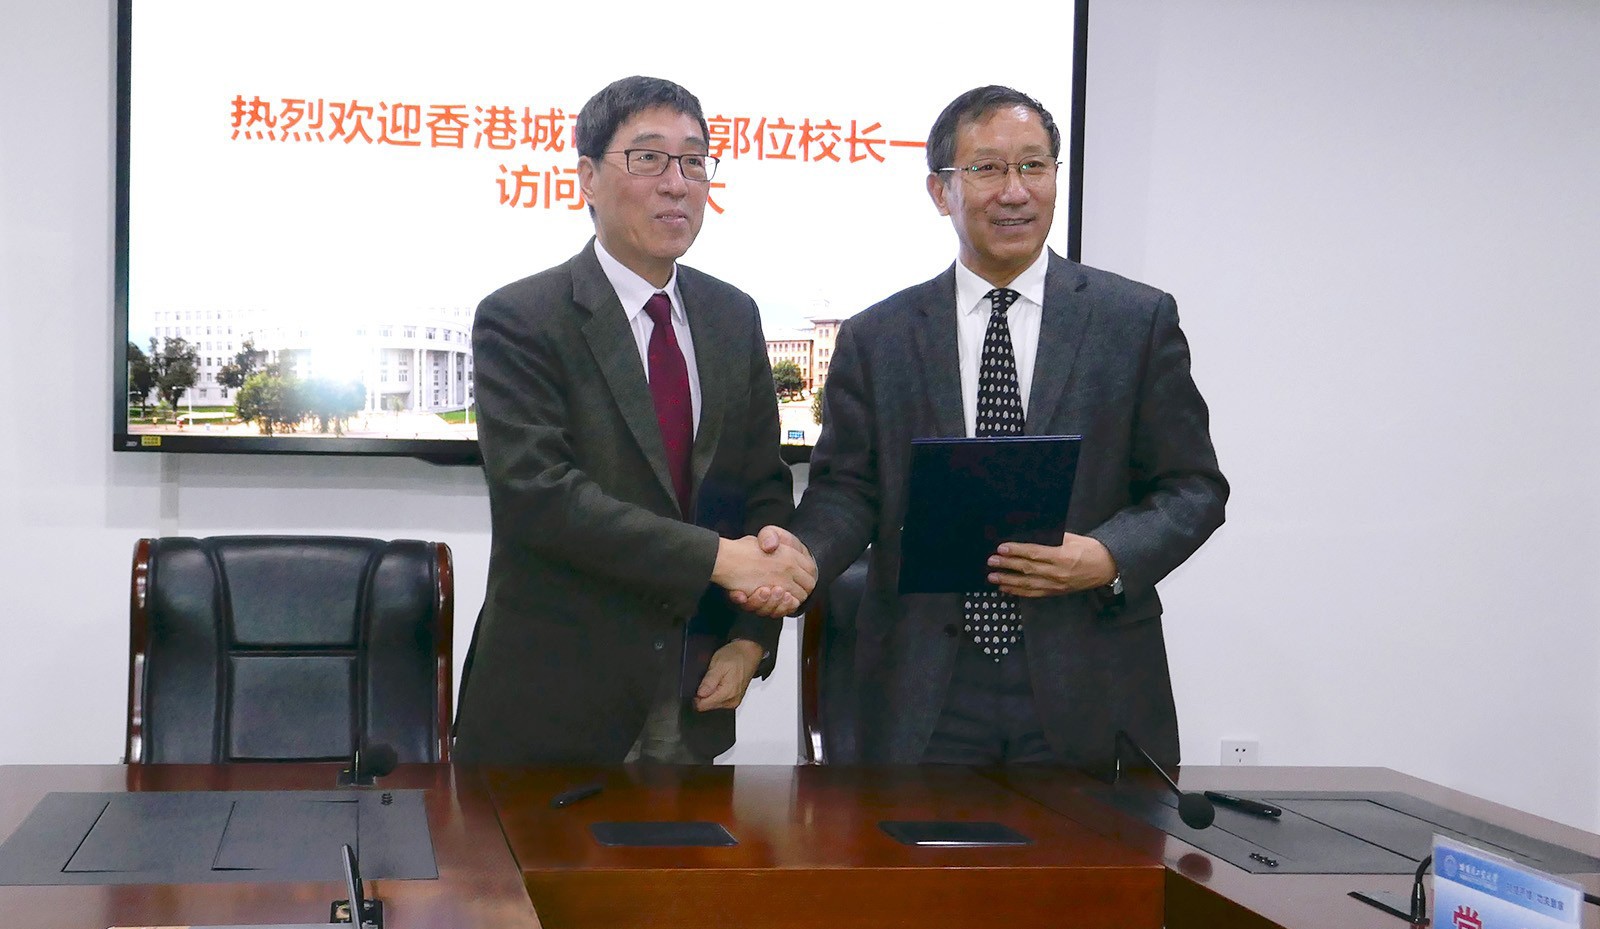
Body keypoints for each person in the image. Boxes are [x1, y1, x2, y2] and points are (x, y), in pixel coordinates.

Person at [746, 86, 1227, 766]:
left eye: (1035, 166)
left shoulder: (1134, 322)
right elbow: (846, 491)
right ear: (941, 191)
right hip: (925, 686)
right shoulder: (877, 336)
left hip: (1087, 672)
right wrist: (801, 559)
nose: (1015, 191)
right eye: (987, 169)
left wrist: (1108, 556)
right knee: (920, 875)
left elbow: (1194, 488)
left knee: (1089, 875)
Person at [454, 76, 816, 765]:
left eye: (694, 160)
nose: (676, 183)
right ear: (587, 176)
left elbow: (763, 488)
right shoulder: (524, 316)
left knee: (684, 875)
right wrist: (719, 558)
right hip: (555, 708)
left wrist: (749, 641)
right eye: (648, 158)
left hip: (694, 697)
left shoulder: (731, 316)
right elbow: (541, 497)